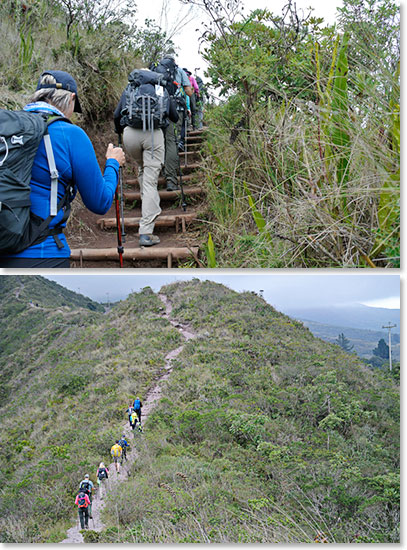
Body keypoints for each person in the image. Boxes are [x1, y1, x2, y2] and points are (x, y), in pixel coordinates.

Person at [0, 70, 125, 268]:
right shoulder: (71, 134)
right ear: (71, 99)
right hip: (43, 253)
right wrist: (112, 164)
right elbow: (100, 202)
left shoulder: (7, 131)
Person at [114, 68, 178, 247]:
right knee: (150, 181)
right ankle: (146, 231)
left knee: (143, 169)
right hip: (153, 135)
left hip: (130, 135)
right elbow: (173, 116)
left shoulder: (130, 89)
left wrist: (120, 131)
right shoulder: (160, 88)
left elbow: (117, 115)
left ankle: (146, 203)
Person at [157, 55, 193, 192]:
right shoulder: (179, 71)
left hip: (157, 110)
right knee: (172, 141)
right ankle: (171, 180)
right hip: (175, 109)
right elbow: (189, 92)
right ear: (174, 62)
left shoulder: (156, 69)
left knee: (160, 141)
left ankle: (158, 171)